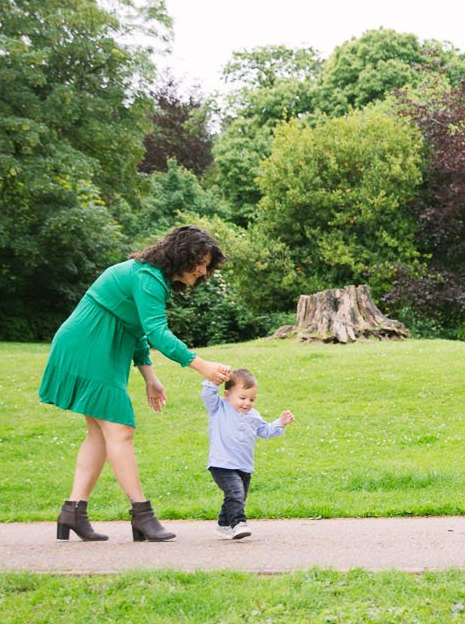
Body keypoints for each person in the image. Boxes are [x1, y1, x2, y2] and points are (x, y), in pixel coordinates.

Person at [39, 225, 233, 542]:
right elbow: (157, 333)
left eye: (207, 264)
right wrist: (201, 365)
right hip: (89, 346)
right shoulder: (147, 277)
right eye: (200, 261)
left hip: (103, 348)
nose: (202, 270)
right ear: (181, 254)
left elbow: (137, 329)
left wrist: (150, 377)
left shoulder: (150, 278)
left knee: (99, 434)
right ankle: (142, 514)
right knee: (120, 430)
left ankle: (73, 511)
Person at [202, 368, 295, 539]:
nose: (247, 403)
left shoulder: (253, 415)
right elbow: (207, 395)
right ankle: (238, 523)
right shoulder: (219, 407)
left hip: (244, 465)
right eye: (242, 398)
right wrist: (214, 381)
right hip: (222, 463)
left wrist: (280, 423)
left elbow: (265, 431)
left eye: (252, 399)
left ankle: (224, 525)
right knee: (236, 493)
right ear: (228, 394)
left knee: (237, 496)